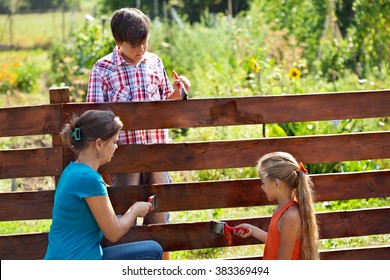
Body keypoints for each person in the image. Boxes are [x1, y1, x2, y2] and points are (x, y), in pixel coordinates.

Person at [87, 8, 191, 259]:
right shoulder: (103, 69)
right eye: (134, 45)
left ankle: (164, 267)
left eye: (145, 42)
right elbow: (96, 120)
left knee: (161, 213)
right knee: (125, 214)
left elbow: (165, 103)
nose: (141, 49)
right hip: (124, 158)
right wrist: (101, 161)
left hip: (157, 151)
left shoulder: (155, 62)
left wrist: (178, 93)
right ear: (118, 42)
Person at [44, 110, 163, 260]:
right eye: (114, 142)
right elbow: (114, 232)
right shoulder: (88, 179)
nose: (116, 146)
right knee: (153, 251)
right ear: (99, 144)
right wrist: (135, 210)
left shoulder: (72, 170)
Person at [233, 152, 319, 260]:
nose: (262, 187)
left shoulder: (290, 216)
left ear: (277, 183)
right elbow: (276, 242)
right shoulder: (282, 210)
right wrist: (253, 230)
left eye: (263, 182)